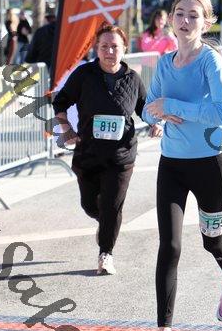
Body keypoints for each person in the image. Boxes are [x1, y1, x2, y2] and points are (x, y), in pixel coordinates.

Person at [142, 0, 222, 331]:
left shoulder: (210, 62)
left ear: (206, 22)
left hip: (210, 164)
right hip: (171, 164)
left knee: (211, 241)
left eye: (194, 15)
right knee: (169, 246)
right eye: (180, 13)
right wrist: (156, 113)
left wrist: (172, 106)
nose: (185, 21)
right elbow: (147, 108)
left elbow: (221, 113)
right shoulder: (164, 63)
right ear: (171, 18)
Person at [53, 24, 161, 275]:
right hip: (88, 153)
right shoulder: (84, 75)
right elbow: (60, 101)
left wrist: (155, 123)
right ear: (97, 49)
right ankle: (105, 225)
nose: (110, 51)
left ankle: (106, 254)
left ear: (124, 49)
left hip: (121, 156)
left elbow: (144, 108)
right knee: (90, 205)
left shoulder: (133, 79)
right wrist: (66, 128)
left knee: (112, 206)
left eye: (115, 46)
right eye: (104, 46)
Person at [25, 12, 56, 83]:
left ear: (46, 20)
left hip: (43, 68)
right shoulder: (64, 31)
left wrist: (29, 61)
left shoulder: (41, 31)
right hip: (60, 71)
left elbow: (32, 52)